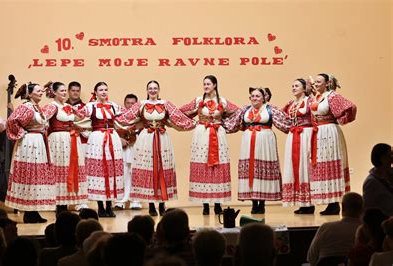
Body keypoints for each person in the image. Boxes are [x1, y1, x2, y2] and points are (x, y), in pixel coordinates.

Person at [117, 81, 195, 216]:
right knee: (149, 168)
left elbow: (178, 117)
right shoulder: (140, 104)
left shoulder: (166, 104)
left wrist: (195, 123)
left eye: (155, 88)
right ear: (147, 90)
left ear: (159, 90)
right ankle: (151, 204)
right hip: (146, 138)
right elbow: (127, 118)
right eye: (150, 88)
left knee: (162, 168)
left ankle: (162, 203)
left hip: (162, 137)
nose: (152, 90)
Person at [223, 87, 290, 214]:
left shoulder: (271, 109)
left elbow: (285, 123)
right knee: (251, 169)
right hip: (248, 140)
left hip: (265, 141)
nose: (254, 98)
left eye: (257, 96)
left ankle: (262, 203)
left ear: (264, 97)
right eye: (252, 96)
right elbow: (232, 123)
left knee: (262, 168)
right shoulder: (245, 109)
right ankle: (254, 202)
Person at [179, 75, 239, 215]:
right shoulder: (199, 100)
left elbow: (238, 112)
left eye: (208, 84)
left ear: (215, 85)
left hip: (218, 134)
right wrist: (193, 123)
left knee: (217, 166)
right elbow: (180, 111)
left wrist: (224, 123)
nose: (205, 86)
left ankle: (218, 204)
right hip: (202, 134)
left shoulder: (222, 101)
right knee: (204, 165)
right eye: (204, 84)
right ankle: (205, 204)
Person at [6, 82, 55, 223]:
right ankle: (28, 212)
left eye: (41, 91)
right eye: (38, 91)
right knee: (30, 174)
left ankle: (34, 211)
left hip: (38, 142)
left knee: (36, 176)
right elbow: (12, 121)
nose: (41, 92)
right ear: (30, 93)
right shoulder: (26, 107)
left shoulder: (36, 108)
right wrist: (22, 133)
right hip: (29, 144)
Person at [75, 81, 124, 218]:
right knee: (99, 172)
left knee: (111, 170)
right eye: (101, 90)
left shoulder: (113, 106)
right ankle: (100, 207)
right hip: (97, 138)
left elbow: (125, 119)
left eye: (105, 89)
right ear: (95, 92)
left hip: (112, 137)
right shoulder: (90, 106)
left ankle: (109, 205)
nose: (103, 92)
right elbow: (78, 118)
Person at [309, 73, 357, 215]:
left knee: (331, 165)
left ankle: (335, 203)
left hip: (329, 132)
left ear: (327, 83)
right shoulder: (317, 97)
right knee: (323, 165)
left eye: (319, 82)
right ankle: (331, 202)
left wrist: (341, 119)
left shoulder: (332, 96)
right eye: (315, 82)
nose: (316, 84)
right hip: (319, 133)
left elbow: (351, 107)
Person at [42, 81, 88, 216]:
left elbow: (82, 117)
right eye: (61, 91)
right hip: (57, 141)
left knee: (70, 169)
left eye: (64, 91)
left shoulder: (68, 106)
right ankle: (59, 205)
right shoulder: (51, 106)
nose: (64, 93)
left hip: (71, 139)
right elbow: (42, 119)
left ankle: (66, 203)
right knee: (59, 170)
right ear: (54, 92)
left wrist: (77, 124)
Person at [281, 79, 315, 214]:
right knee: (294, 166)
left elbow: (316, 115)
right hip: (293, 134)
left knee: (305, 165)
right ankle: (301, 202)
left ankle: (309, 203)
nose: (294, 88)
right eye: (292, 86)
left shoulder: (309, 101)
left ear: (304, 88)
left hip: (305, 133)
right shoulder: (291, 103)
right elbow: (282, 116)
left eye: (297, 86)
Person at [307, 192, 364, 265]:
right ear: (362, 208)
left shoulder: (326, 228)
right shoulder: (365, 231)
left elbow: (311, 258)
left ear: (342, 207)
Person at [114, 94, 142, 211]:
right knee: (122, 173)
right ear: (124, 104)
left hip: (136, 148)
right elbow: (113, 130)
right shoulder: (119, 118)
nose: (130, 106)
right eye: (128, 103)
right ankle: (119, 201)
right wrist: (120, 139)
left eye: (133, 104)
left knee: (136, 173)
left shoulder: (141, 118)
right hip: (123, 149)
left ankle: (135, 201)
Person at [67, 81, 90, 212]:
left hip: (82, 142)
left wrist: (79, 128)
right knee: (66, 171)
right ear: (69, 91)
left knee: (82, 172)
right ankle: (64, 201)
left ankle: (81, 202)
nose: (75, 93)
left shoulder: (86, 107)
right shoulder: (62, 106)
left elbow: (89, 126)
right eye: (73, 90)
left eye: (77, 91)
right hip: (66, 142)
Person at [363, 143, 393, 216]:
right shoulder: (371, 182)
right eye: (389, 156)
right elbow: (368, 208)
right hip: (384, 223)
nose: (392, 158)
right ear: (381, 158)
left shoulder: (390, 174)